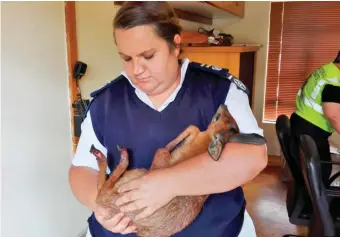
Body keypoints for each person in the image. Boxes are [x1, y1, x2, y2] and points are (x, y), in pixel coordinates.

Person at [69, 2, 267, 237]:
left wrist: (169, 183)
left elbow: (252, 157)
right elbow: (82, 169)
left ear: (175, 44)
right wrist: (99, 204)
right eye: (127, 58)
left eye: (148, 56)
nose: (136, 70)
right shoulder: (106, 102)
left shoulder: (218, 91)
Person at [290, 50, 340, 185]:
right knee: (319, 177)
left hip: (301, 122)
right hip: (311, 130)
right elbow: (334, 115)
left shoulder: (326, 70)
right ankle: (315, 205)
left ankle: (308, 204)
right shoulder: (335, 81)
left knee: (309, 177)